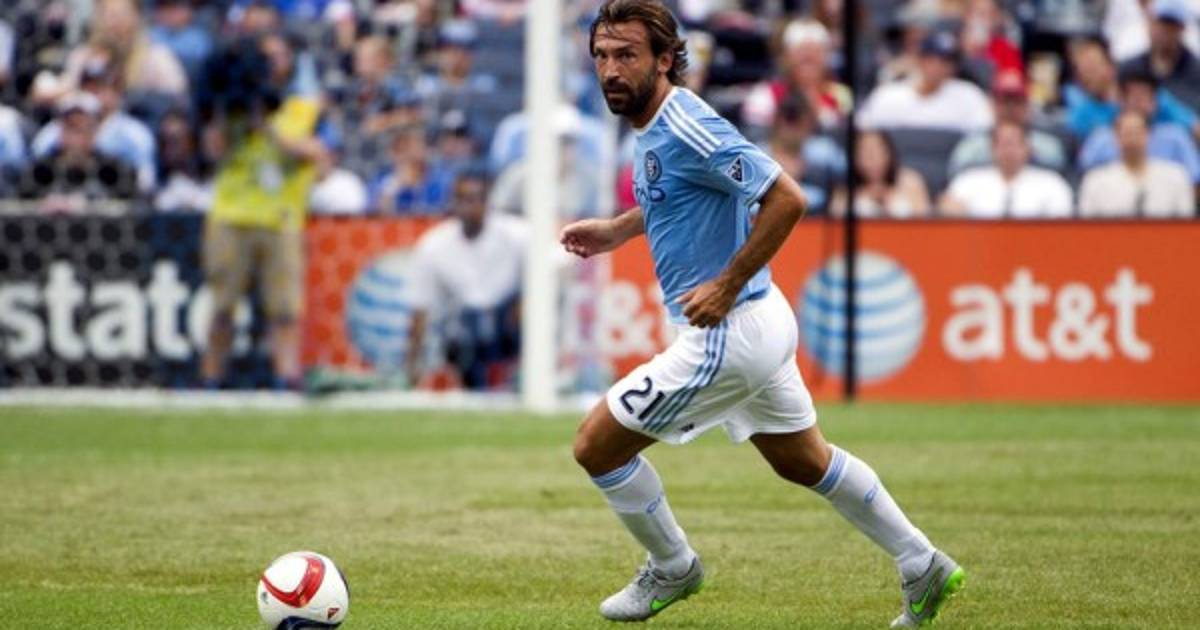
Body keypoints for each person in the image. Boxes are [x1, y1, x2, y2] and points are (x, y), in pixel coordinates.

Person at [561, 2, 965, 627]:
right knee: (803, 460)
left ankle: (673, 566)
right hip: (761, 319)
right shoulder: (657, 126)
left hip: (729, 333)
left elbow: (785, 198)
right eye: (603, 57)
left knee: (596, 446)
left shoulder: (687, 122)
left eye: (627, 55)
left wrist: (725, 285)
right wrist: (618, 230)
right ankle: (922, 561)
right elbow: (683, 192)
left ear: (664, 60)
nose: (611, 70)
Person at [200, 36, 328, 390]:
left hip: (281, 219)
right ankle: (211, 378)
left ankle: (286, 376)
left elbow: (319, 158)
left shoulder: (303, 108)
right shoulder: (233, 109)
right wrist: (228, 113)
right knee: (223, 307)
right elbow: (212, 153)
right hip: (231, 215)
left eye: (279, 56)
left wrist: (267, 125)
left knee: (284, 310)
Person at [405, 167, 526, 389]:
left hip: (508, 326)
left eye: (475, 199)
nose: (468, 207)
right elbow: (420, 308)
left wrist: (524, 303)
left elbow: (554, 268)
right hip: (461, 331)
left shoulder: (518, 235)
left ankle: (524, 380)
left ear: (487, 201)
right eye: (462, 199)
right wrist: (413, 367)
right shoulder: (434, 245)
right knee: (463, 325)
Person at [19, 93, 139, 213]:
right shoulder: (40, 171)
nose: (76, 138)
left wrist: (90, 206)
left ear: (96, 131)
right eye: (70, 127)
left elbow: (133, 207)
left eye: (83, 128)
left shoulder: (114, 171)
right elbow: (21, 205)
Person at [1078, 69, 1200, 183]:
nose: (1139, 102)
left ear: (1154, 102)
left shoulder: (1175, 137)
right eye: (1133, 96)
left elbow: (1195, 180)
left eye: (1144, 96)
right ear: (1121, 100)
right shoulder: (1101, 139)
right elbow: (1085, 180)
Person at [858, 30, 992, 132]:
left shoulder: (969, 95)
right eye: (932, 59)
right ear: (919, 60)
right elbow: (865, 130)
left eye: (946, 61)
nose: (938, 67)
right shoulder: (888, 94)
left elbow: (983, 134)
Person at [942, 120, 1074, 218]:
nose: (1008, 150)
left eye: (1014, 144)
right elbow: (949, 213)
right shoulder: (967, 181)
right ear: (992, 148)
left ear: (1028, 148)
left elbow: (1061, 227)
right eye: (1003, 144)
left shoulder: (1052, 183)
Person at [949, 69, 1067, 176]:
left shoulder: (1048, 146)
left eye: (1017, 102)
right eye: (1004, 102)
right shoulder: (972, 146)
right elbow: (957, 177)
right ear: (992, 105)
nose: (1010, 108)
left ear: (1028, 106)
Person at [1079, 110, 1195, 217]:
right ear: (1115, 137)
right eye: (1126, 133)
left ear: (1148, 134)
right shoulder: (1095, 180)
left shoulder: (1176, 176)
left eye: (1137, 132)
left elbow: (1187, 224)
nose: (1132, 139)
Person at [1117, 0, 1200, 110]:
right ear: (1149, 24)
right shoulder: (1130, 69)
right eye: (1160, 24)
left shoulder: (1196, 72)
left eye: (1171, 26)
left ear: (1182, 29)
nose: (1165, 32)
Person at [831, 130, 931, 218]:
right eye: (865, 153)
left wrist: (892, 198)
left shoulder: (911, 181)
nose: (873, 159)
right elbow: (836, 216)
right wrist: (864, 196)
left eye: (878, 151)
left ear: (889, 152)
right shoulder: (844, 187)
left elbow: (925, 220)